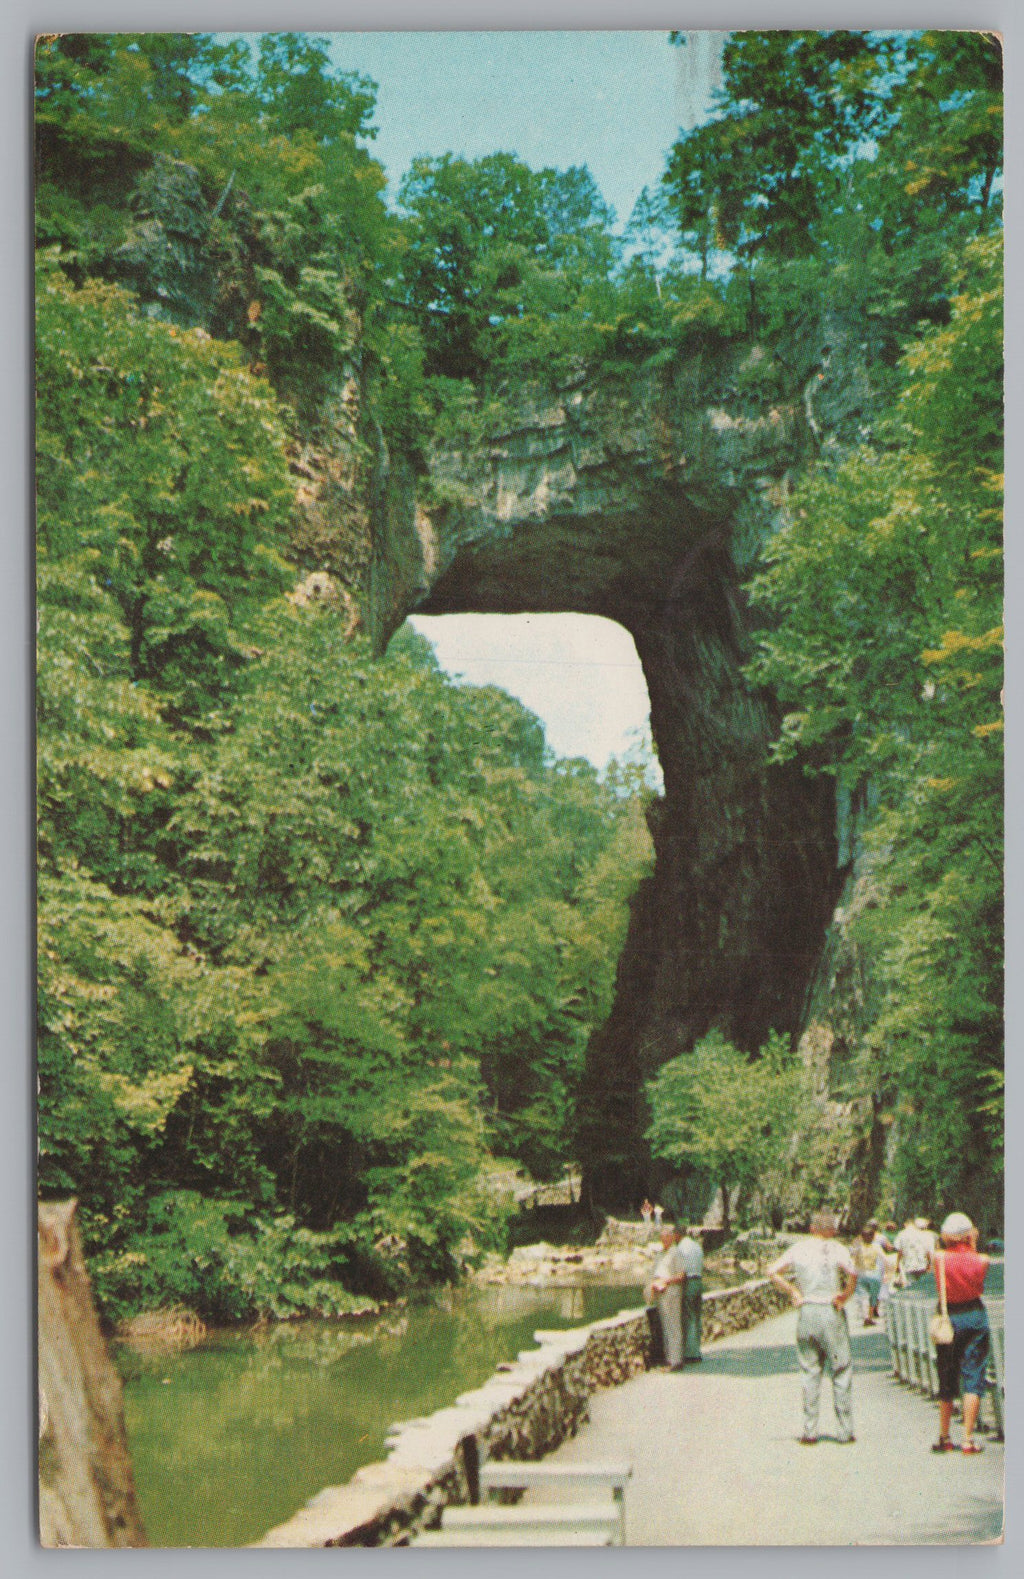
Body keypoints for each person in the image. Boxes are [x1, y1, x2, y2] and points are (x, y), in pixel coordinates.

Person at [769, 1208, 858, 1444]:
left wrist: (793, 1291)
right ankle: (845, 1430)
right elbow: (853, 1273)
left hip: (807, 1309)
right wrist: (845, 1295)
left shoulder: (798, 1248)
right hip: (830, 1309)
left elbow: (772, 1271)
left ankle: (810, 1430)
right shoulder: (838, 1248)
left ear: (811, 1229)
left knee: (810, 1371)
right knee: (840, 1369)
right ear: (832, 1230)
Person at [931, 1212, 992, 1455]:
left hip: (949, 1317)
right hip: (974, 1315)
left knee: (947, 1373)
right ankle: (968, 1438)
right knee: (973, 1374)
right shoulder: (982, 1260)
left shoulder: (939, 1258)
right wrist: (973, 1242)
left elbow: (938, 1250)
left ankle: (944, 1436)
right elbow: (977, 1274)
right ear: (969, 1235)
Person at [648, 1223, 687, 1370]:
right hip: (660, 1293)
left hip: (671, 1292)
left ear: (671, 1238)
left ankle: (676, 1361)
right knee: (665, 1326)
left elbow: (681, 1275)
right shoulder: (660, 1254)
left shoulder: (675, 1253)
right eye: (662, 1238)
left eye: (666, 1238)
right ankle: (670, 1359)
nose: (664, 1240)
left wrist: (666, 1281)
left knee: (673, 1325)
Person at [851, 1219, 894, 1325]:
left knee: (863, 1295)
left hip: (861, 1274)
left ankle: (865, 1316)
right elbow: (886, 1260)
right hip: (874, 1274)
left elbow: (851, 1259)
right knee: (873, 1296)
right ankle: (869, 1317)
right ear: (873, 1237)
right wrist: (888, 1273)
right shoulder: (876, 1247)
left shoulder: (858, 1246)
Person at [677, 1226, 704, 1362]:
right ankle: (696, 1350)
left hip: (689, 1283)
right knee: (697, 1316)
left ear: (677, 1235)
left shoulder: (681, 1247)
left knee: (689, 1317)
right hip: (699, 1281)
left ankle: (690, 1354)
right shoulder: (696, 1246)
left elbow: (682, 1271)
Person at [894, 1215, 935, 1285]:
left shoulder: (902, 1234)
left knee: (911, 1286)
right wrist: (929, 1264)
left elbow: (900, 1251)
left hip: (908, 1265)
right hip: (922, 1266)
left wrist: (897, 1264)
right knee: (922, 1286)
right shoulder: (926, 1236)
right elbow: (928, 1252)